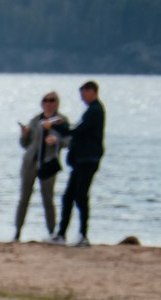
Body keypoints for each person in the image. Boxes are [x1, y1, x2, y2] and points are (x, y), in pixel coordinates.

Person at [13, 90, 68, 243]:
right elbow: (25, 144)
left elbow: (69, 139)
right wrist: (24, 134)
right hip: (30, 163)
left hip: (48, 164)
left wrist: (56, 141)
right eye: (46, 100)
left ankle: (52, 233)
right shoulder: (35, 120)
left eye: (52, 100)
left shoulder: (61, 121)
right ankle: (17, 232)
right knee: (24, 197)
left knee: (48, 200)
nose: (48, 103)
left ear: (57, 103)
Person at [61, 81, 105, 247]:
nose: (82, 98)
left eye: (83, 94)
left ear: (92, 92)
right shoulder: (92, 110)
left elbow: (78, 130)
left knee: (80, 196)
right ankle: (61, 233)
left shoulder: (95, 111)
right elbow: (77, 130)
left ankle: (83, 235)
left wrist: (61, 127)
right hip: (81, 160)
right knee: (69, 196)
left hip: (88, 160)